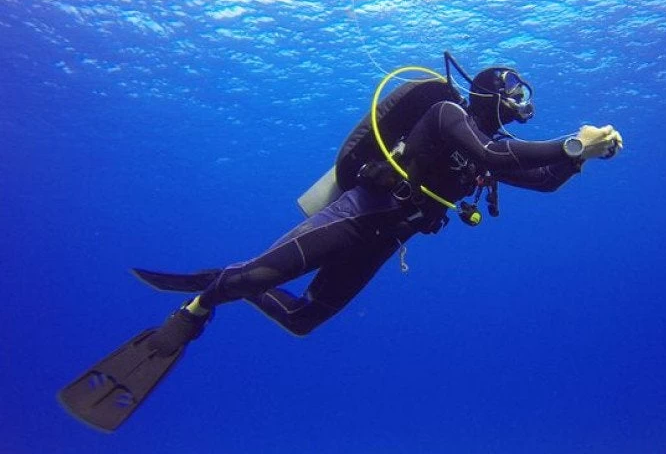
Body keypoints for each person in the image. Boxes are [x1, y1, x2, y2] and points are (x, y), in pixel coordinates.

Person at [58, 52, 624, 431]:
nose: (522, 99)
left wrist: (583, 159)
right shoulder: (450, 112)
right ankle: (198, 308)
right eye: (515, 90)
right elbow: (493, 156)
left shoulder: (493, 142)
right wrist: (574, 143)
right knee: (259, 278)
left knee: (303, 319)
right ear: (491, 91)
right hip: (361, 213)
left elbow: (541, 180)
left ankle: (227, 275)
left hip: (385, 239)